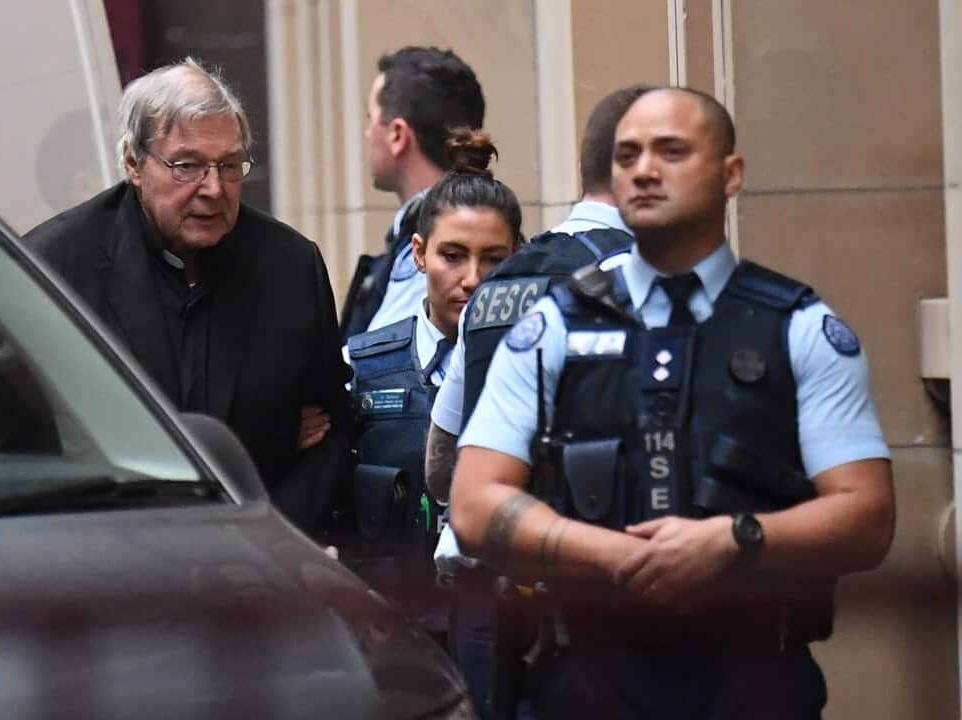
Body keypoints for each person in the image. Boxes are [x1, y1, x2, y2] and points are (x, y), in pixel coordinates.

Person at [451, 87, 895, 719]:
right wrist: (619, 556)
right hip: (588, 682)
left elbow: (868, 516)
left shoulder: (798, 327)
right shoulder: (550, 329)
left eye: (671, 151)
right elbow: (472, 503)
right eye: (627, 155)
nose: (644, 169)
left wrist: (737, 539)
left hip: (754, 683)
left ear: (730, 174)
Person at [0, 58, 351, 533]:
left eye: (230, 165)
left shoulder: (289, 267)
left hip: (258, 561)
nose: (213, 189)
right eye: (187, 165)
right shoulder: (53, 268)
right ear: (133, 162)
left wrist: (276, 541)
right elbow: (7, 452)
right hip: (102, 561)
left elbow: (330, 434)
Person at [424, 85, 650, 717]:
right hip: (625, 605)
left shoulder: (503, 284)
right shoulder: (659, 280)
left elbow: (442, 469)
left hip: (500, 603)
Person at [339, 128, 520, 651]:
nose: (472, 278)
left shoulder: (535, 367)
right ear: (418, 254)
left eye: (494, 259)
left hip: (502, 624)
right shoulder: (358, 363)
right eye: (453, 255)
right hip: (391, 629)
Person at [338, 46, 485, 341]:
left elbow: (374, 368)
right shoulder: (484, 217)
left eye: (371, 118)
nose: (367, 134)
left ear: (397, 135)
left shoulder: (433, 242)